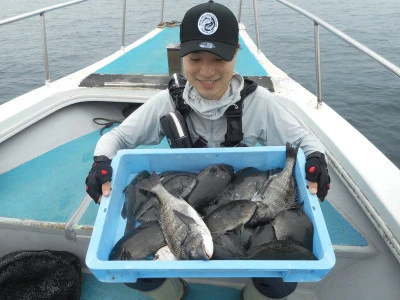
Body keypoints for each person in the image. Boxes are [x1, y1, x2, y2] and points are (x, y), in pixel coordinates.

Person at [85, 1, 330, 299]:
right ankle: (173, 291)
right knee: (132, 272)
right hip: (189, 209)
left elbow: (307, 141)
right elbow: (118, 139)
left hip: (235, 206)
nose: (206, 71)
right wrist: (101, 163)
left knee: (281, 280)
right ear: (182, 56)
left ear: (236, 53)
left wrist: (316, 161)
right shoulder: (167, 102)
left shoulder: (259, 103)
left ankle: (254, 292)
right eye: (195, 58)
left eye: (218, 59)